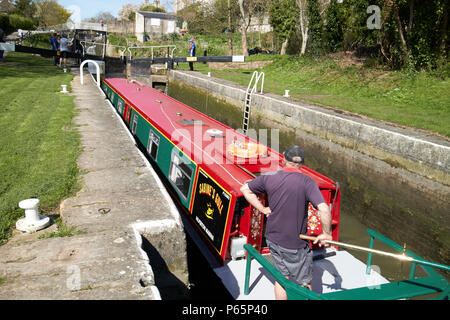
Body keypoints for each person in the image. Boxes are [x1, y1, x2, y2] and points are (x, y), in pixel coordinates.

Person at [240, 145, 332, 300]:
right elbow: (323, 209)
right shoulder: (307, 182)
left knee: (282, 278)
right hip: (294, 244)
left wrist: (263, 209)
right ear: (302, 164)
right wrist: (327, 233)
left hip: (272, 239)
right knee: (305, 282)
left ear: (283, 160)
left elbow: (245, 189)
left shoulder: (269, 176)